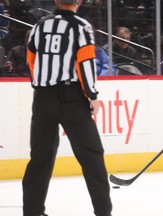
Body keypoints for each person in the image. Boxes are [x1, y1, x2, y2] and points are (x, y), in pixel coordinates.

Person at [22, 1, 113, 216]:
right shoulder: (81, 26)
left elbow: (31, 59)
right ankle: (103, 212)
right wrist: (92, 95)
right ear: (79, 2)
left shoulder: (40, 25)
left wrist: (41, 85)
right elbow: (85, 62)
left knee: (40, 158)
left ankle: (32, 212)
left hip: (43, 97)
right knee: (92, 156)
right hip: (71, 98)